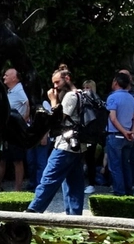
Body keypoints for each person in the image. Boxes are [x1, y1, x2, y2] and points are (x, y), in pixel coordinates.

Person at [27, 67, 88, 215]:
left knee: (49, 178)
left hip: (65, 145)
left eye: (57, 82)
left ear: (67, 79)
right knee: (74, 184)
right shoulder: (82, 94)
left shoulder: (70, 96)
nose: (55, 86)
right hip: (79, 146)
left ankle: (33, 211)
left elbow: (58, 119)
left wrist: (53, 100)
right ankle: (74, 217)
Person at [0, 68, 31, 191]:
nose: (4, 77)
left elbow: (28, 103)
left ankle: (17, 189)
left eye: (6, 75)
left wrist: (24, 119)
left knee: (17, 160)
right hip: (6, 130)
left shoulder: (19, 90)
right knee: (2, 158)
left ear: (14, 78)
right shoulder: (10, 91)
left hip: (15, 132)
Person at [104, 72, 134, 196]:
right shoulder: (131, 98)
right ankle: (128, 190)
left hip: (116, 134)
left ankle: (119, 191)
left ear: (116, 82)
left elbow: (113, 118)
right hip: (129, 136)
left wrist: (124, 132)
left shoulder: (112, 97)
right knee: (126, 164)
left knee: (115, 166)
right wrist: (132, 131)